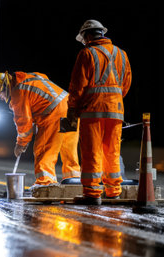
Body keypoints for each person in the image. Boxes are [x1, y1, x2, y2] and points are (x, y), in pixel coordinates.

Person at [68, 20, 132, 205]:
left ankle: (92, 193)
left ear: (88, 36)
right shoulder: (122, 54)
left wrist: (73, 108)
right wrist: (114, 100)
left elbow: (77, 86)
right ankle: (113, 191)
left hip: (92, 111)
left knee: (91, 152)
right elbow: (125, 85)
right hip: (115, 111)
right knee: (112, 151)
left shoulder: (86, 53)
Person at [0, 71, 81, 187]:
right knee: (68, 147)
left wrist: (20, 144)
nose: (1, 98)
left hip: (53, 113)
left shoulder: (18, 93)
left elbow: (23, 124)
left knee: (43, 149)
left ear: (4, 88)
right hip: (70, 106)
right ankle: (73, 178)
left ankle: (45, 182)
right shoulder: (30, 77)